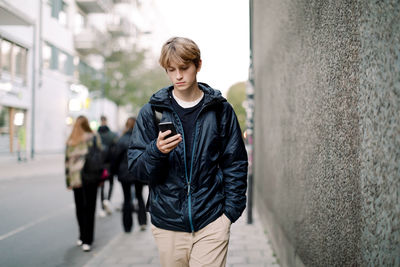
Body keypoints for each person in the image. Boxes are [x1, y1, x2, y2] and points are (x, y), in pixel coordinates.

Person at [128, 37, 248, 267]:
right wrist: (156, 150)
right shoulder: (152, 112)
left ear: (198, 65)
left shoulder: (220, 110)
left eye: (184, 68)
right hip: (168, 224)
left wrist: (229, 214)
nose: (178, 76)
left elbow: (235, 163)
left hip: (212, 220)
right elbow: (137, 169)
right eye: (171, 70)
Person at [65, 115, 102, 252]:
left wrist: (68, 181)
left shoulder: (71, 140)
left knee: (80, 208)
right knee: (90, 209)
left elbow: (67, 163)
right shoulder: (92, 137)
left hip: (76, 180)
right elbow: (99, 156)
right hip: (90, 178)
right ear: (87, 124)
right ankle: (88, 240)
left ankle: (81, 236)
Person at [111, 117, 147, 233]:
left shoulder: (121, 140)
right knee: (140, 196)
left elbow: (115, 158)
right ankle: (142, 222)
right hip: (138, 172)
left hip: (124, 173)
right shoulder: (142, 138)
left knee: (127, 199)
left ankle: (127, 226)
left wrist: (114, 172)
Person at [97, 115, 118, 217]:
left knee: (101, 185)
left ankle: (102, 204)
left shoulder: (96, 136)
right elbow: (116, 150)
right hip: (110, 164)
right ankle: (108, 200)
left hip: (100, 164)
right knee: (111, 183)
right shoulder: (112, 135)